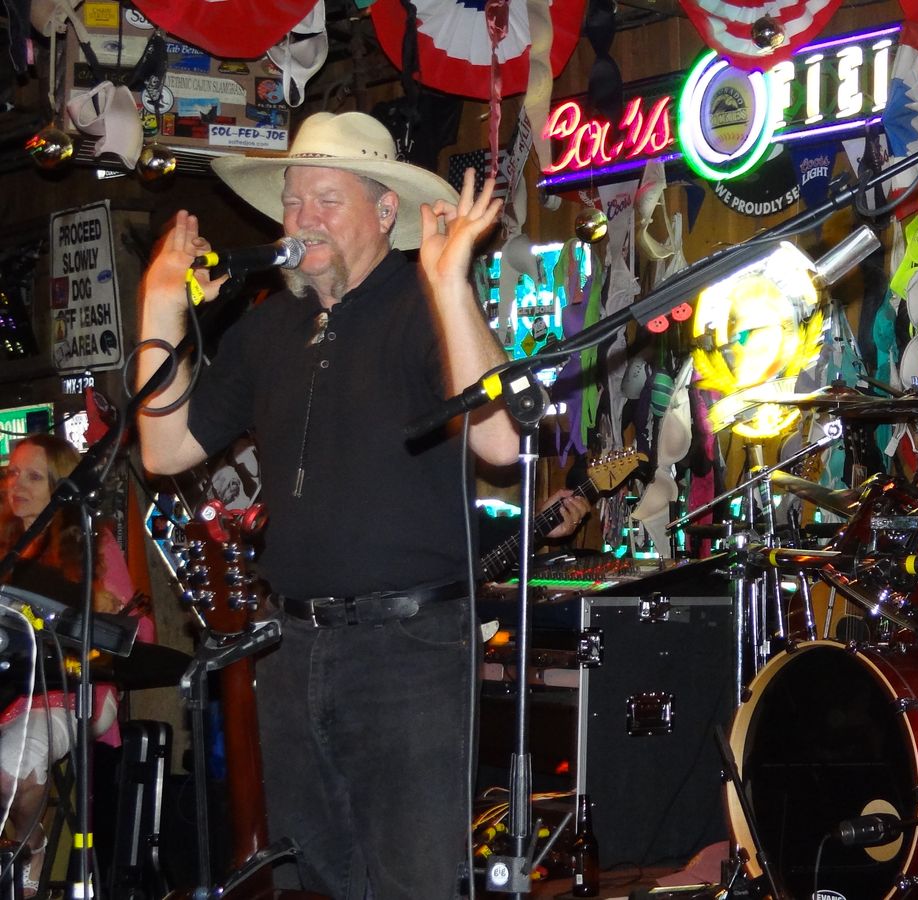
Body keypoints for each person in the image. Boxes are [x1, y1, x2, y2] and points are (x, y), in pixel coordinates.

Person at [135, 111, 589, 899]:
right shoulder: (267, 329)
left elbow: (498, 442)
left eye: (326, 200)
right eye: (292, 201)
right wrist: (159, 303)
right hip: (291, 649)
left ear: (384, 212)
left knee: (412, 883)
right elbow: (163, 449)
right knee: (309, 883)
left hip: (409, 652)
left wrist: (449, 284)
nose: (301, 218)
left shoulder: (423, 308)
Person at [0, 434, 152, 897]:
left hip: (70, 692)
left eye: (33, 476)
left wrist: (104, 610)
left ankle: (31, 845)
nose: (16, 485)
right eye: (12, 473)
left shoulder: (93, 544)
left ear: (62, 486)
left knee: (12, 769)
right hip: (9, 692)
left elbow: (142, 636)